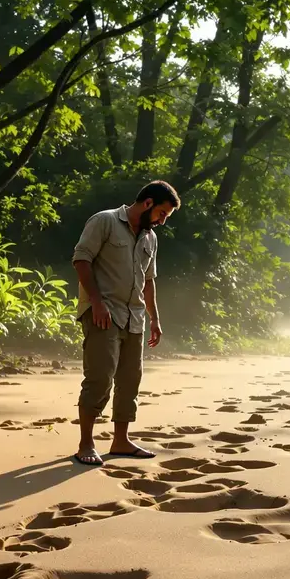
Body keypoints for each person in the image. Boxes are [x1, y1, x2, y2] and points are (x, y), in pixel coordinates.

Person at [70, 180, 179, 466]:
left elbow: (149, 281)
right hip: (102, 314)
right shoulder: (104, 222)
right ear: (148, 204)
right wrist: (96, 302)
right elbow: (81, 260)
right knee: (100, 377)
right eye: (162, 214)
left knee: (130, 380)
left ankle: (120, 441)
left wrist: (155, 319)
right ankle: (86, 443)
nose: (162, 220)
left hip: (135, 318)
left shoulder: (150, 238)